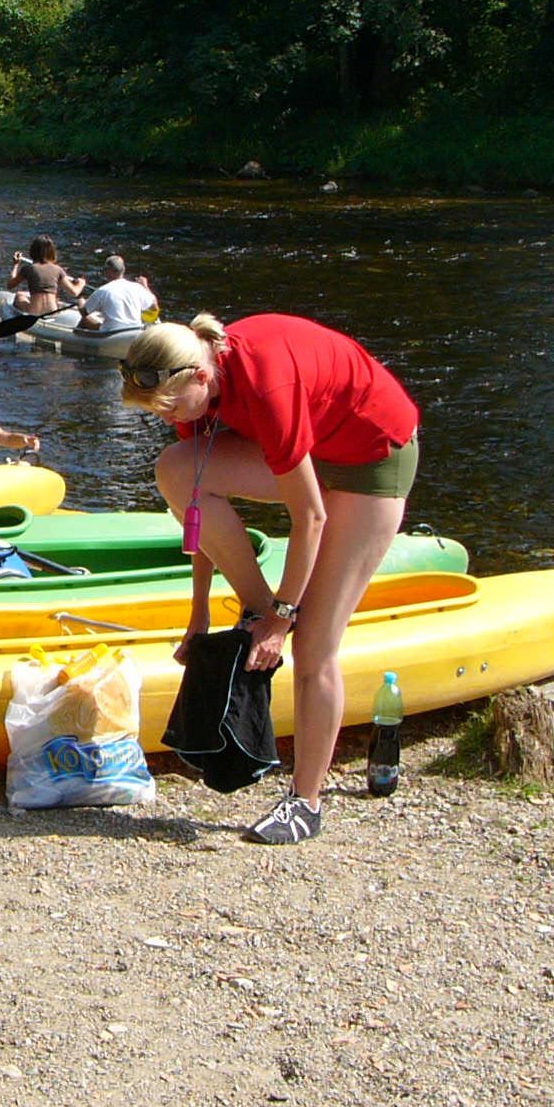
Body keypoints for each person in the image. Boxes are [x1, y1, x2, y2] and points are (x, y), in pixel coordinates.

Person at [118, 314, 421, 845]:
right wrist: (201, 613)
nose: (162, 417)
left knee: (316, 643)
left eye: (167, 405)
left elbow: (311, 519)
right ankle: (254, 608)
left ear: (199, 378)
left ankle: (306, 803)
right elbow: (196, 510)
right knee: (176, 468)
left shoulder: (266, 385)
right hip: (316, 446)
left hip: (373, 458)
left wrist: (285, 618)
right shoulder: (197, 384)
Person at [77, 254, 158, 333]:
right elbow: (154, 306)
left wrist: (80, 301)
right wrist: (145, 286)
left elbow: (84, 312)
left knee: (84, 320)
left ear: (109, 271)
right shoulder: (137, 287)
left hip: (111, 333)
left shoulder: (103, 290)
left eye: (105, 269)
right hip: (135, 330)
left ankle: (76, 340)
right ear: (123, 270)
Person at [7, 236, 85, 317]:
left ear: (33, 251)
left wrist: (15, 265)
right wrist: (81, 283)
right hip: (52, 312)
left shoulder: (28, 269)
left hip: (34, 312)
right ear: (52, 252)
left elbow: (10, 285)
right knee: (54, 298)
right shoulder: (58, 270)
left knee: (19, 296)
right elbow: (74, 292)